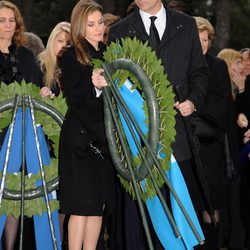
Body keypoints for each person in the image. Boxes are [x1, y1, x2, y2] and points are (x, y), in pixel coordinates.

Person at [93, 0, 208, 249]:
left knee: (179, 213)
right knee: (139, 219)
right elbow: (115, 80)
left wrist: (193, 101)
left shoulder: (186, 25)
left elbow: (199, 71)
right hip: (137, 141)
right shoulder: (120, 30)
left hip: (178, 138)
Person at [58, 1, 114, 249]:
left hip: (103, 141)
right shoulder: (71, 56)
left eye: (100, 22)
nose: (98, 28)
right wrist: (94, 87)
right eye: (91, 24)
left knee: (97, 206)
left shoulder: (109, 53)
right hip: (81, 141)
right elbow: (77, 100)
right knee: (80, 207)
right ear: (80, 26)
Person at [0, 1, 53, 249]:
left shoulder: (27, 55)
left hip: (24, 137)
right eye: (2, 20)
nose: (8, 26)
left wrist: (45, 93)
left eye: (12, 20)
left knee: (13, 195)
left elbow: (38, 86)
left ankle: (10, 246)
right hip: (0, 136)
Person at [190, 16, 231, 250]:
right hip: (186, 148)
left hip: (210, 149)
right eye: (197, 39)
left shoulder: (217, 66)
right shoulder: (181, 65)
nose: (202, 44)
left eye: (205, 39)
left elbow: (220, 105)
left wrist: (193, 106)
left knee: (211, 209)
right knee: (190, 208)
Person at [38, 21, 71, 97]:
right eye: (60, 41)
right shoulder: (39, 65)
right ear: (52, 40)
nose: (64, 46)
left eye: (68, 43)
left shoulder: (75, 66)